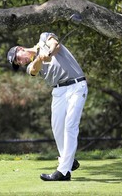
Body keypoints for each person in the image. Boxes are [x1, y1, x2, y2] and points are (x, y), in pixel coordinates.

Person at [7, 32, 88, 181]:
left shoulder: (43, 37)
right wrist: (40, 58)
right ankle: (68, 161)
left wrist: (48, 51)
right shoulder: (30, 65)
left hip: (76, 85)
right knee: (57, 128)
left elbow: (54, 45)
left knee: (70, 125)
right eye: (18, 63)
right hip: (58, 91)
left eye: (18, 58)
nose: (20, 62)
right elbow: (34, 70)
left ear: (21, 48)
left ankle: (63, 171)